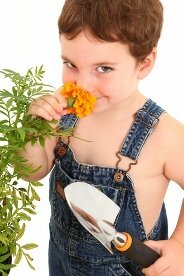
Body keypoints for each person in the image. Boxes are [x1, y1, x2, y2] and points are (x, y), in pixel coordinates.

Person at [20, 0, 184, 275]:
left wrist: (180, 244)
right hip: (61, 260)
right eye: (70, 63)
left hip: (129, 266)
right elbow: (31, 172)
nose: (82, 85)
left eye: (104, 68)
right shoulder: (61, 116)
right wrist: (34, 130)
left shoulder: (163, 135)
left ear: (144, 63)